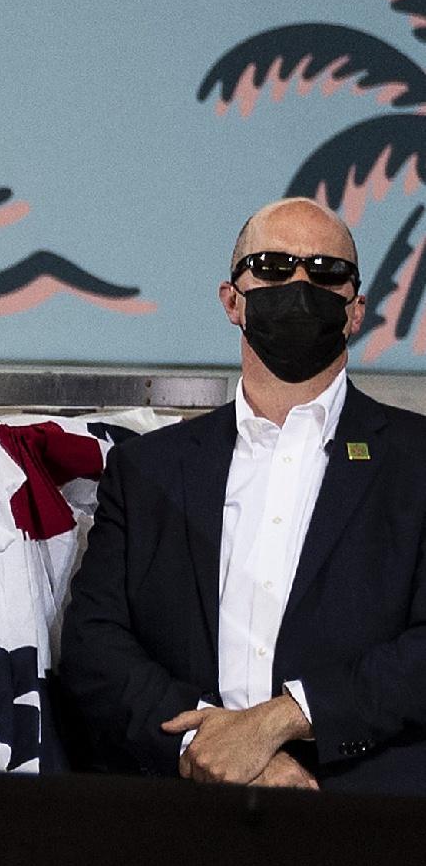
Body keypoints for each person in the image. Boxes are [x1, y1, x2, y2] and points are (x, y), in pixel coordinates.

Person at [61, 197, 426, 791]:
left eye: (326, 271)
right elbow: (95, 645)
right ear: (232, 300)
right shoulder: (147, 469)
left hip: (373, 828)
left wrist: (287, 718)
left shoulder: (415, 460)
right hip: (181, 824)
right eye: (274, 266)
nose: (300, 282)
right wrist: (205, 748)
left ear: (356, 311)